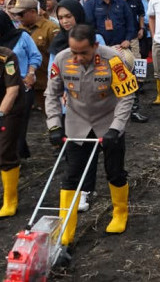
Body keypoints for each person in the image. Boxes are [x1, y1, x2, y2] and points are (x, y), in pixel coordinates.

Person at [46, 25, 136, 245]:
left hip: (108, 120)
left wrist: (117, 127)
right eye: (73, 52)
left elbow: (126, 95)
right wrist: (55, 125)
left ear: (95, 46)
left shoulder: (113, 59)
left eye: (83, 53)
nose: (77, 58)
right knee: (71, 175)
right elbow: (52, 93)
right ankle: (65, 233)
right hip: (77, 121)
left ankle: (120, 213)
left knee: (114, 171)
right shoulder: (61, 59)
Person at [49, 0, 107, 211]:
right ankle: (75, 190)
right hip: (71, 105)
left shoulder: (96, 38)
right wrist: (63, 92)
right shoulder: (57, 43)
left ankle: (86, 189)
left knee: (91, 147)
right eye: (61, 17)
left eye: (68, 16)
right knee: (74, 151)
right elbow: (53, 73)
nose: (65, 21)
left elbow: (103, 68)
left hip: (96, 103)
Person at [0, 11, 40, 161]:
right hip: (1, 88)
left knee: (16, 124)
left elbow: (35, 55)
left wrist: (31, 73)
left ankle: (14, 157)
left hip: (22, 85)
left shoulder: (21, 37)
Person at [12, 0, 59, 114]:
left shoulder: (51, 28)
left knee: (51, 115)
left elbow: (58, 56)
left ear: (32, 12)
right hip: (26, 83)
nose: (18, 18)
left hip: (45, 83)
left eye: (21, 14)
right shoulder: (20, 29)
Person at [0, 47, 25, 218]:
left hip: (9, 107)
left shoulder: (7, 57)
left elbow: (12, 90)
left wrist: (1, 114)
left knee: (4, 150)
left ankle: (10, 201)